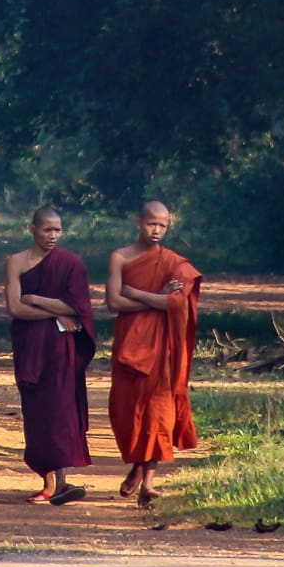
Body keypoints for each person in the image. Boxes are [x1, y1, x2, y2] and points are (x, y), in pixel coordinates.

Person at [105, 200, 201, 508]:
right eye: (151, 224)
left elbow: (176, 303)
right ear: (138, 222)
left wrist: (139, 294)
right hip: (130, 341)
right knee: (127, 410)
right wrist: (156, 299)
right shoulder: (120, 258)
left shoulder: (174, 263)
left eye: (162, 225)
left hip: (162, 345)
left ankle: (148, 483)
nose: (156, 230)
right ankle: (137, 463)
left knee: (159, 411)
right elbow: (114, 302)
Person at [5, 206, 95, 505]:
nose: (53, 235)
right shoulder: (16, 262)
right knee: (37, 411)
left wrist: (36, 299)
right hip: (30, 345)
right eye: (47, 230)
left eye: (58, 230)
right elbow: (15, 308)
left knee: (61, 410)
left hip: (60, 347)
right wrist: (53, 312)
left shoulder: (71, 263)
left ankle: (60, 483)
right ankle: (49, 481)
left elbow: (77, 307)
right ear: (33, 229)